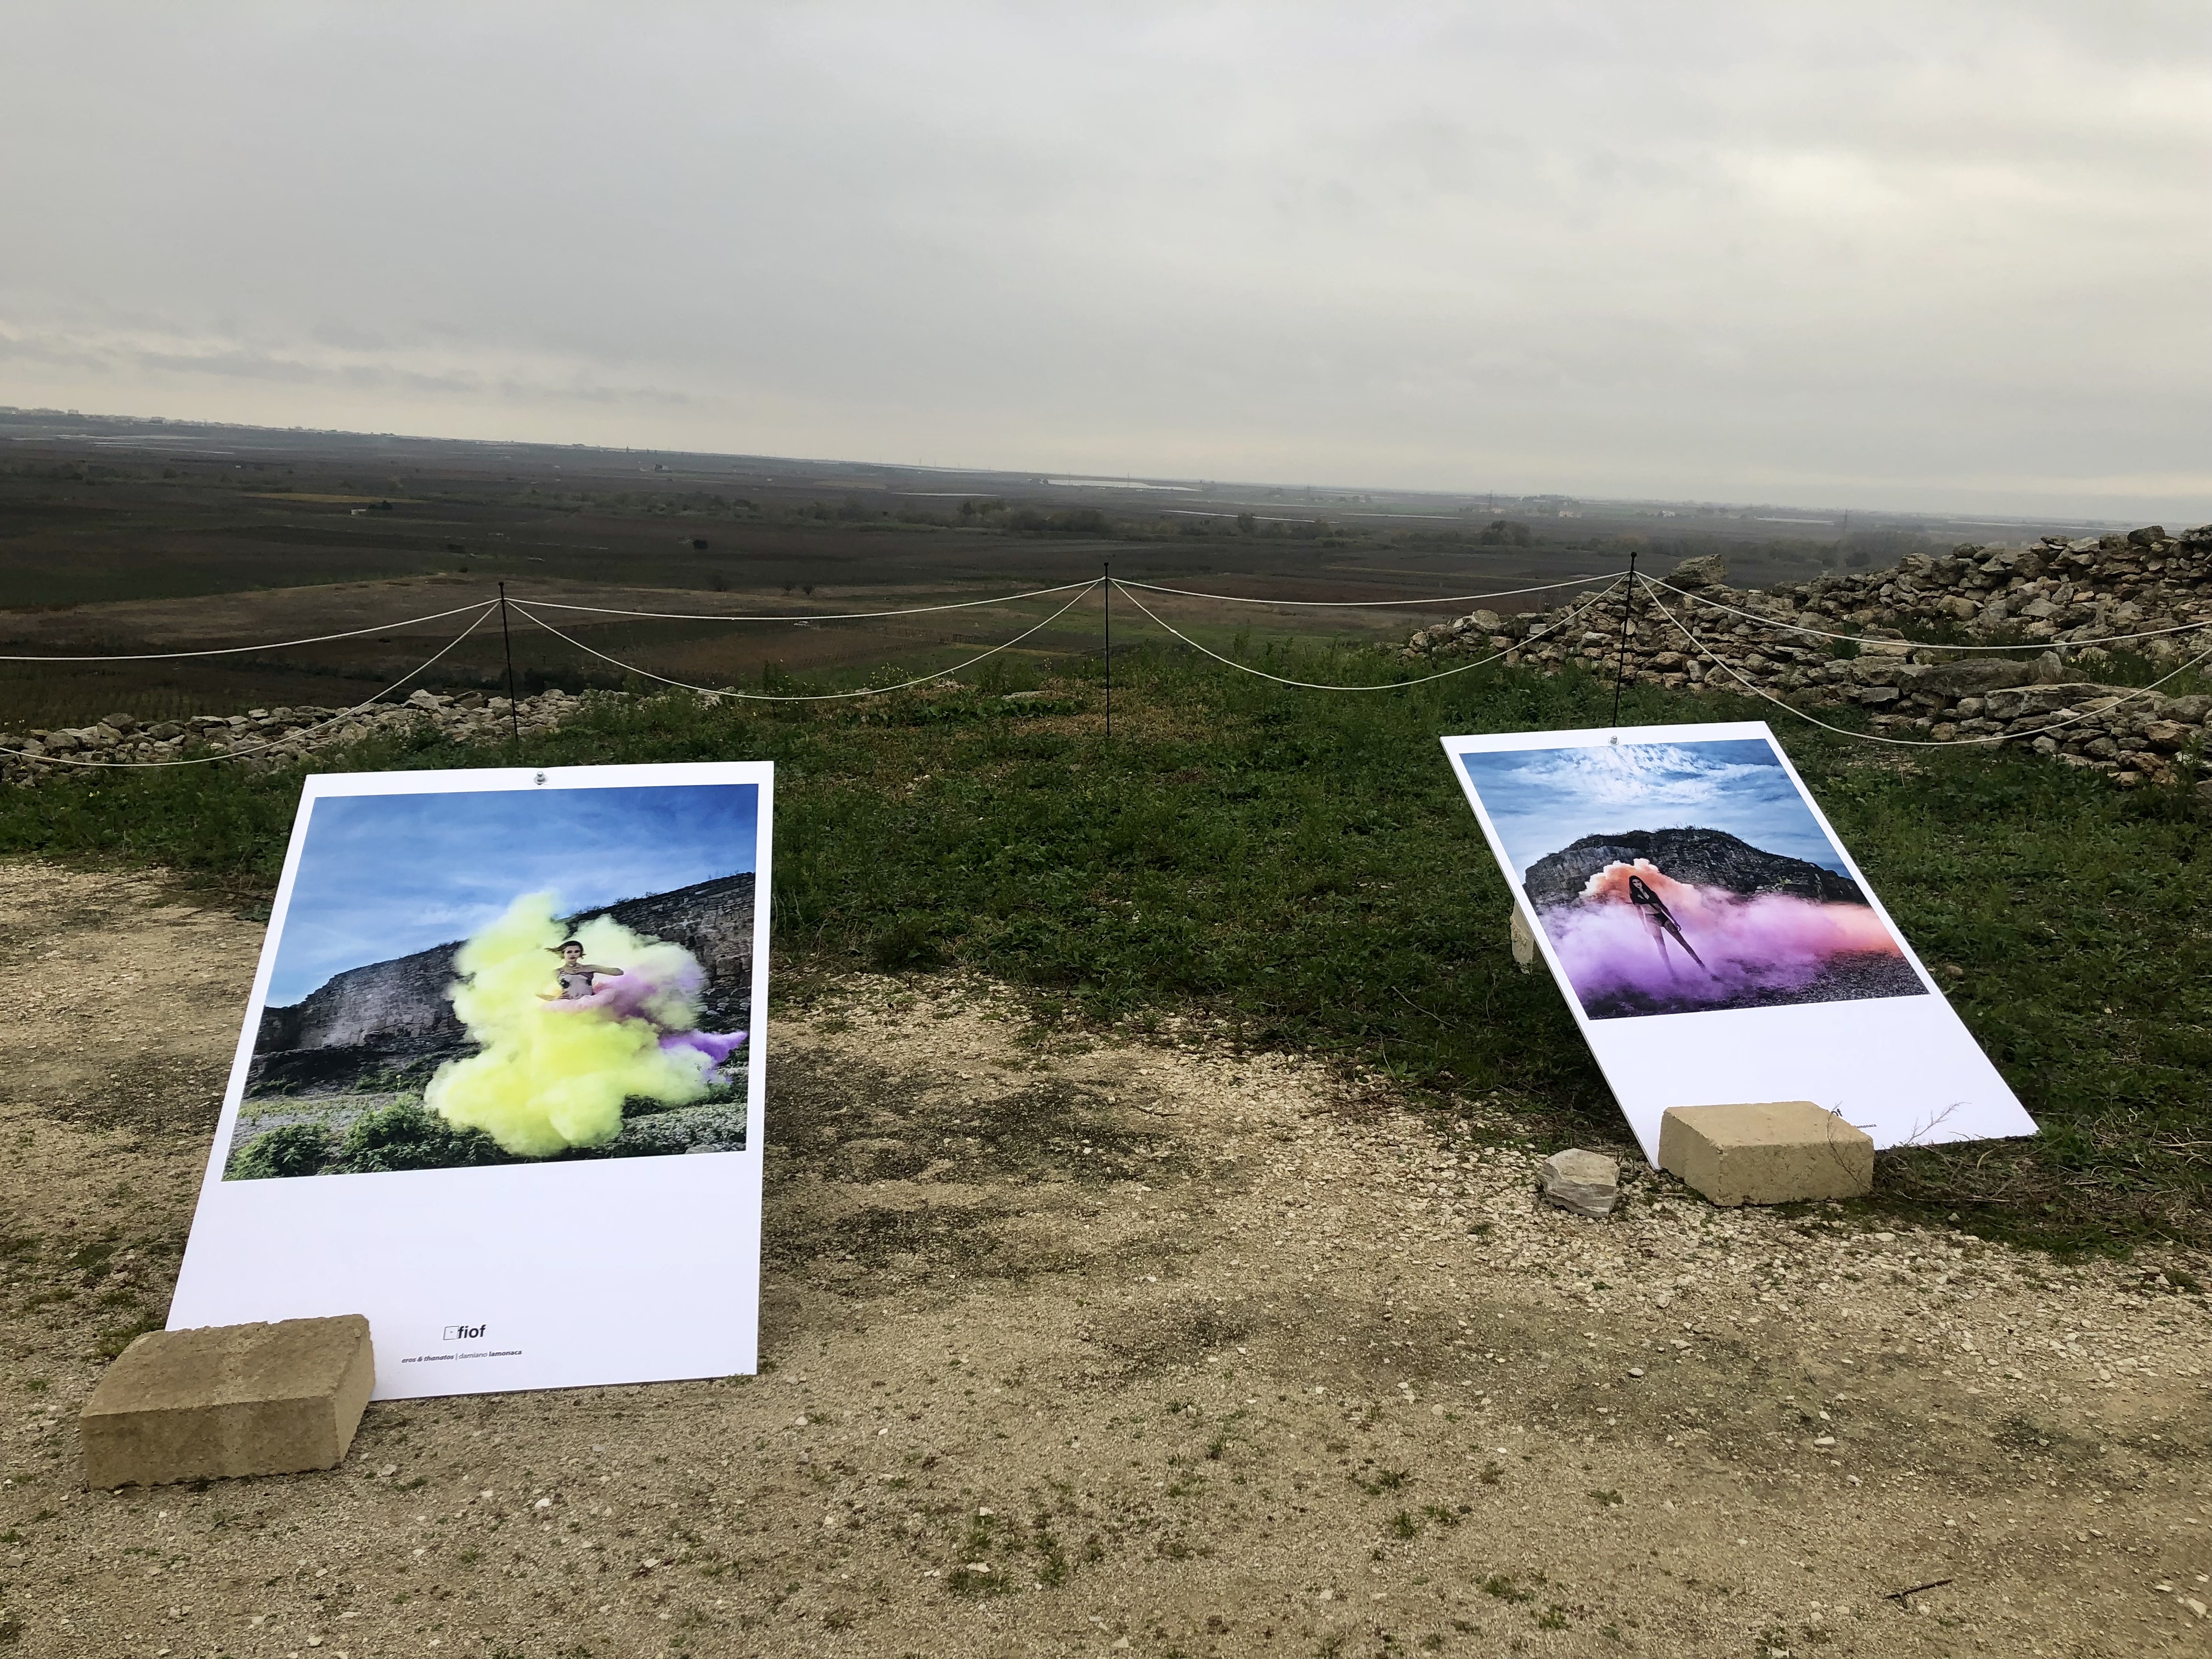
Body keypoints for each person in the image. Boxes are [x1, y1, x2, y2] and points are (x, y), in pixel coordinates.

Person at [537, 939, 625, 1002]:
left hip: (592, 1002)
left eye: (577, 952)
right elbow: (537, 991)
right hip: (568, 1006)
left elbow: (619, 972)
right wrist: (554, 999)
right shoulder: (557, 972)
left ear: (580, 953)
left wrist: (589, 968)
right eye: (569, 952)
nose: (573, 954)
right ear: (563, 954)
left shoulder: (589, 968)